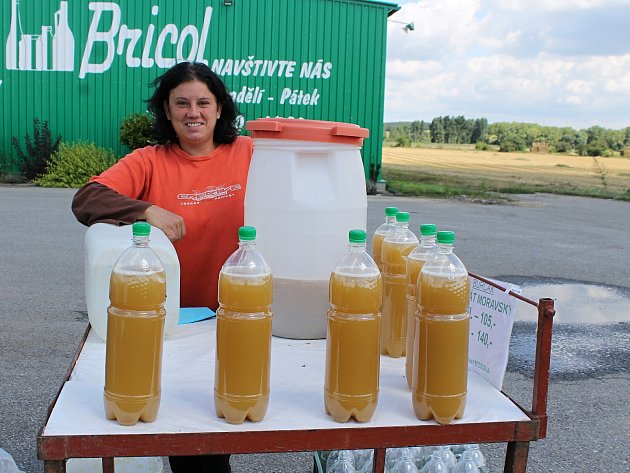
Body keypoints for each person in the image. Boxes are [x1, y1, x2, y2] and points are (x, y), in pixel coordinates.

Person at [72, 61, 253, 473]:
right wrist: (146, 209)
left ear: (221, 108)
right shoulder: (149, 161)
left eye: (204, 102)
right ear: (167, 112)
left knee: (235, 416)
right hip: (176, 325)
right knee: (190, 438)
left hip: (240, 314)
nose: (194, 112)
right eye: (182, 103)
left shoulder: (248, 152)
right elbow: (86, 199)